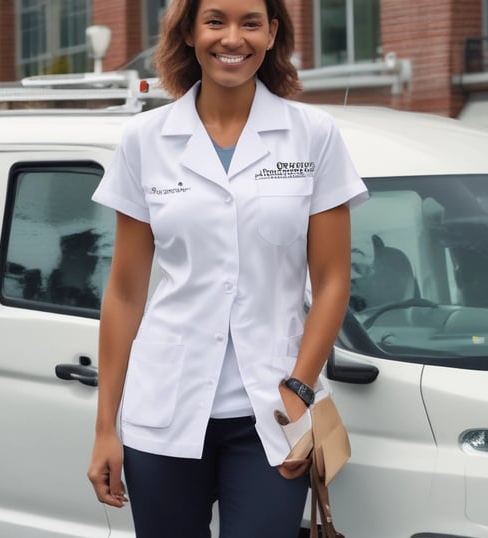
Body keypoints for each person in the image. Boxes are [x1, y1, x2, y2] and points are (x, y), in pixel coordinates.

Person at [87, 0, 368, 536]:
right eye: (215, 21)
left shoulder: (313, 135)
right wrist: (106, 427)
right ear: (189, 33)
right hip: (162, 412)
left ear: (272, 34)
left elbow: (332, 281)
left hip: (272, 412)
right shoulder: (145, 141)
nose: (232, 38)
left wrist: (299, 389)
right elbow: (125, 292)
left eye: (250, 23)